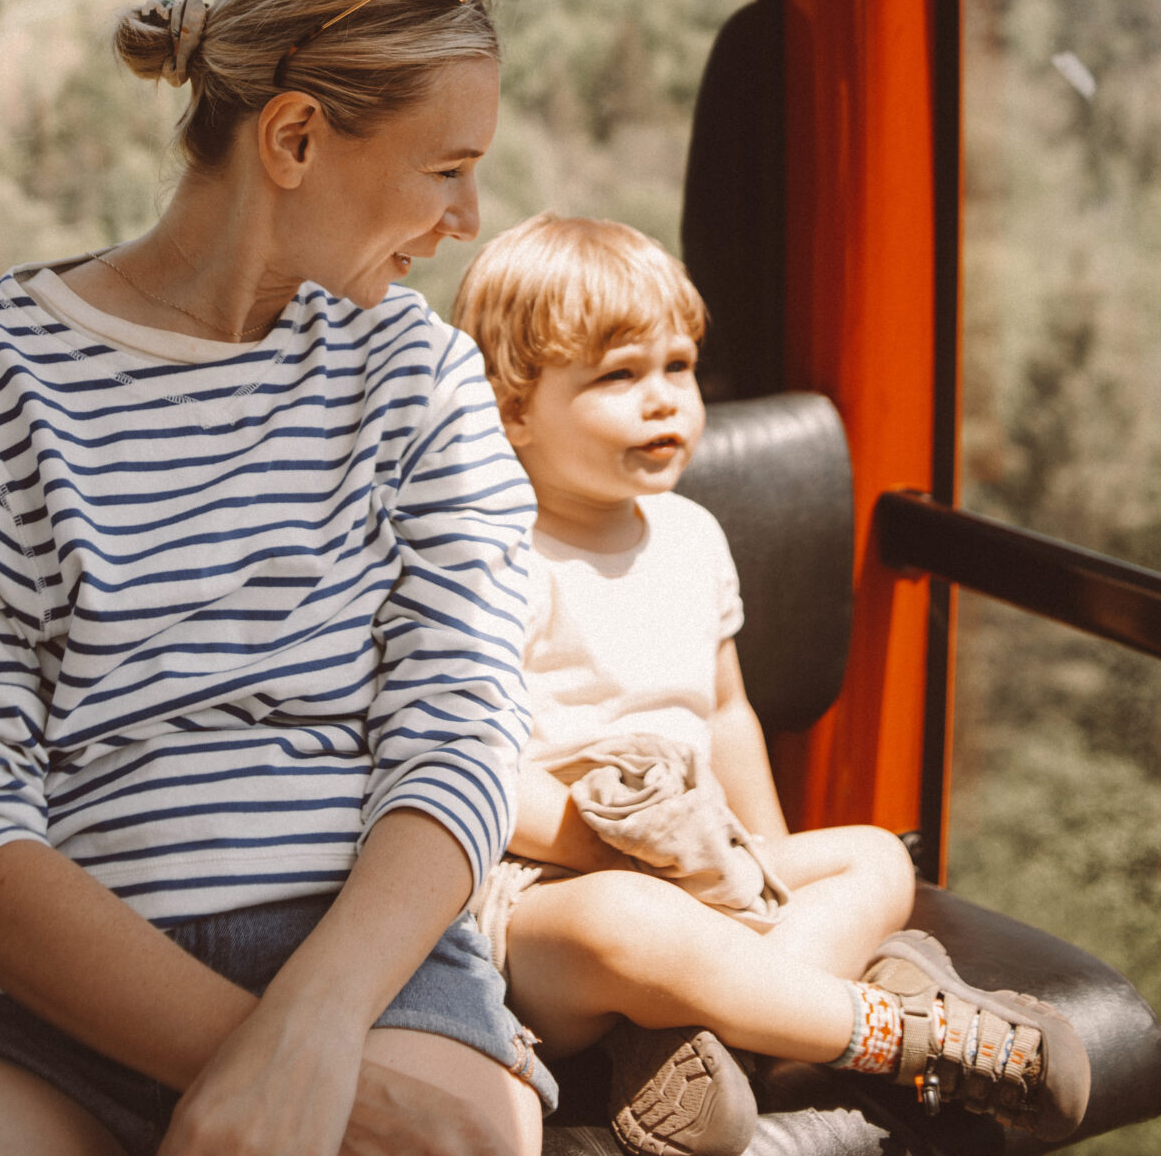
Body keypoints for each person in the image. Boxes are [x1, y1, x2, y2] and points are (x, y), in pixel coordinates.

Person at [0, 0, 554, 1156]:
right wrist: (262, 1062)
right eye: (447, 168)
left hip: (365, 978)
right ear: (293, 137)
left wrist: (317, 1033)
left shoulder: (419, 380)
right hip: (33, 1005)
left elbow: (460, 731)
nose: (468, 219)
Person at [452, 212, 1091, 1156]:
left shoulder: (692, 536)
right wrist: (617, 858)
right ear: (512, 409)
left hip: (706, 854)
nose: (665, 400)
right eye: (620, 376)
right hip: (551, 885)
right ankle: (899, 1027)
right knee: (625, 925)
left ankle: (693, 1045)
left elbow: (728, 711)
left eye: (679, 368)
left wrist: (767, 864)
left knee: (873, 857)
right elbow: (478, 771)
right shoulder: (494, 561)